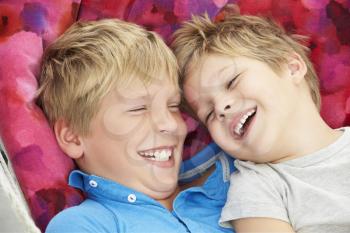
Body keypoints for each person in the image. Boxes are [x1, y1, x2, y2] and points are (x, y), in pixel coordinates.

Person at [36, 18, 235, 233]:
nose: (170, 123)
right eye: (139, 109)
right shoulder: (84, 224)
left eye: (174, 105)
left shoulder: (232, 180)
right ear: (73, 136)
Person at [171, 13, 350, 233]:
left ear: (292, 67)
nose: (220, 108)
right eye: (208, 114)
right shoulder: (257, 187)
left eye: (231, 82)